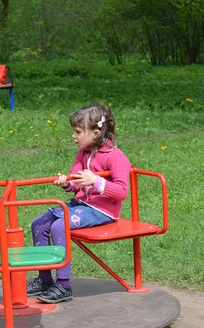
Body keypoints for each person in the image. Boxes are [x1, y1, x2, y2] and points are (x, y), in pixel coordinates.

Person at [27, 103, 131, 303]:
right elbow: (75, 183)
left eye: (77, 131)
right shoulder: (84, 153)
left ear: (95, 133)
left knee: (60, 225)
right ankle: (45, 279)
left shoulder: (116, 157)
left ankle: (64, 285)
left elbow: (122, 191)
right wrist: (67, 183)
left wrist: (96, 181)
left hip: (102, 211)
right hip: (81, 205)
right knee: (38, 223)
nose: (73, 136)